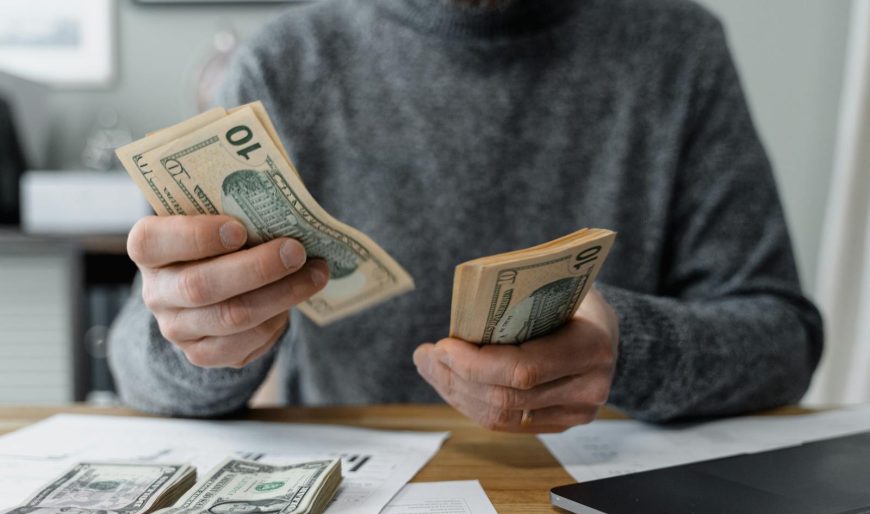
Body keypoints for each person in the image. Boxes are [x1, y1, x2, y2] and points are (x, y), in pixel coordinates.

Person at [108, 0, 824, 432]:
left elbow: (784, 341)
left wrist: (628, 351)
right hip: (354, 508)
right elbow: (138, 363)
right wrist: (200, 340)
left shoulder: (679, 50)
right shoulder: (281, 64)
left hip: (613, 508)